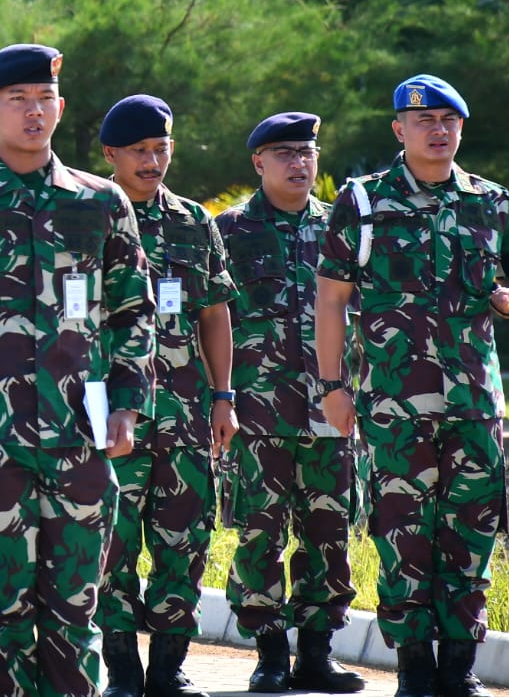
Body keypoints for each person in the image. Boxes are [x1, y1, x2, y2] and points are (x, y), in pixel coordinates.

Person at [0, 45, 155, 697]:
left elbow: (132, 310)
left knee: (75, 609)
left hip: (80, 436)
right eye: (18, 100)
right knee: (3, 611)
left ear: (61, 108)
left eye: (44, 99)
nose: (33, 111)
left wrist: (128, 403)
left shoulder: (100, 203)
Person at [315, 75, 509, 697]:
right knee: (401, 535)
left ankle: (459, 667)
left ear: (461, 127)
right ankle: (414, 666)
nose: (437, 130)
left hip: (474, 401)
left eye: (448, 119)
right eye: (423, 121)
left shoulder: (491, 201)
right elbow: (331, 301)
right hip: (394, 406)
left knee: (471, 534)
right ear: (399, 129)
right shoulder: (363, 202)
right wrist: (333, 385)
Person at [95, 94, 238, 697]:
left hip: (183, 411)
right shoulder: (89, 213)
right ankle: (123, 671)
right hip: (114, 413)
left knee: (185, 540)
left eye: (163, 149)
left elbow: (214, 313)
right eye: (140, 152)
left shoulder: (192, 221)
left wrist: (223, 395)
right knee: (114, 544)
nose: (153, 162)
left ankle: (169, 669)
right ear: (111, 155)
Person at [214, 113, 363, 694]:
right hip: (258, 412)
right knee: (260, 533)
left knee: (329, 531)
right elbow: (212, 321)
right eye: (284, 154)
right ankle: (270, 654)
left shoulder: (340, 229)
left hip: (330, 411)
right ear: (258, 163)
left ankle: (317, 654)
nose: (298, 164)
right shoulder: (228, 231)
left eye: (306, 152)